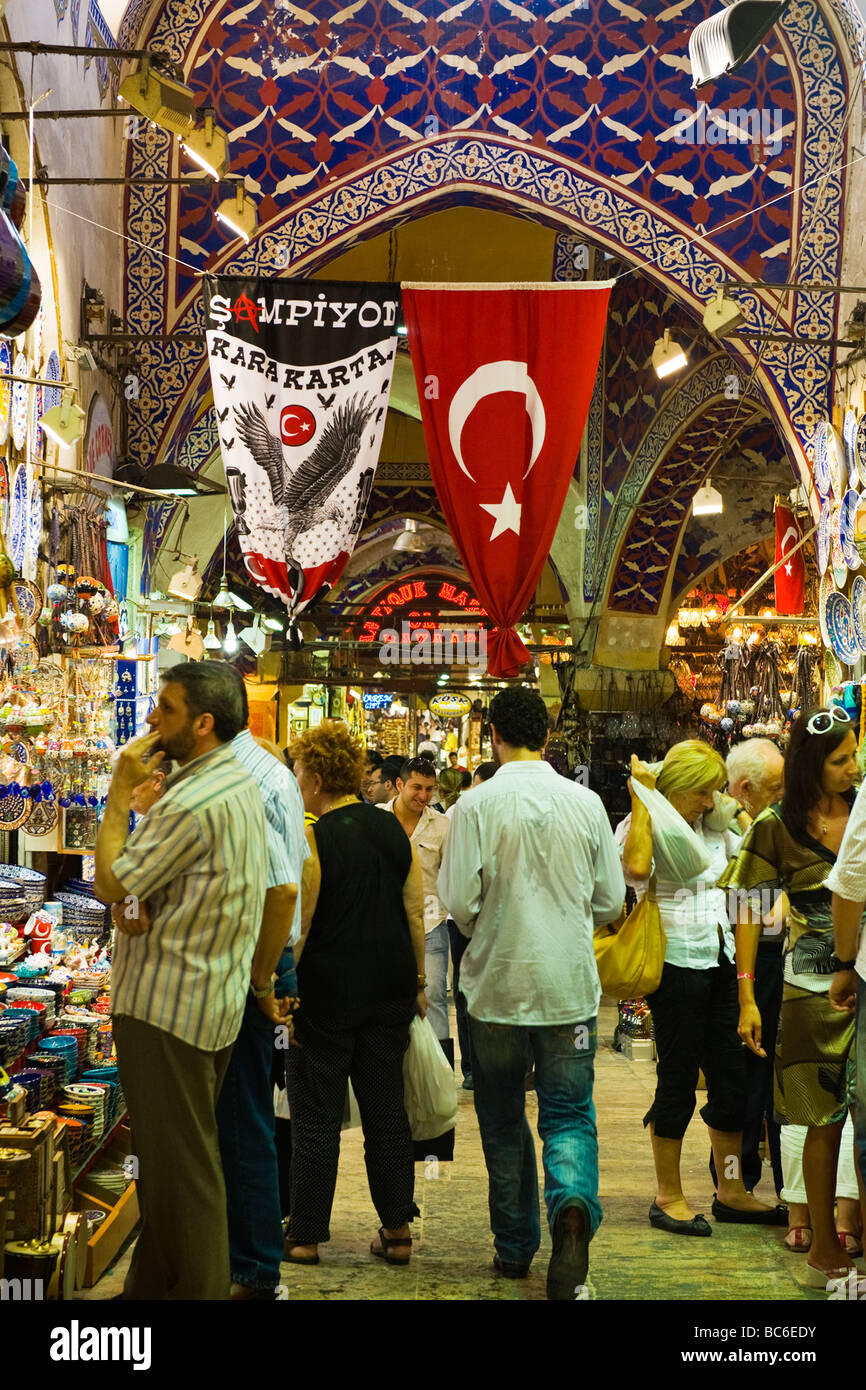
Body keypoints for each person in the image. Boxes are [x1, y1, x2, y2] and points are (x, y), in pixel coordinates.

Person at [438, 686, 625, 1299]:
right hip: (569, 988)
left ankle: (515, 1246)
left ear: (493, 734)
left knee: (499, 1114)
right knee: (568, 1112)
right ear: (548, 735)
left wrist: (490, 921)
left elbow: (459, 904)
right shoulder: (587, 803)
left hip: (495, 989)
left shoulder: (473, 805)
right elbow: (610, 901)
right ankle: (570, 1205)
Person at [93, 662, 269, 1300]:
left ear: (203, 722)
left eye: (165, 710)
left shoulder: (194, 799)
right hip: (205, 1003)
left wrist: (118, 793)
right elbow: (155, 892)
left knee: (186, 1178)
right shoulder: (231, 783)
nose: (151, 722)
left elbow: (112, 882)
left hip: (168, 1011)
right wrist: (133, 904)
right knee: (168, 1175)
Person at [722, 707, 862, 1285]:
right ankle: (823, 1242)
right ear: (810, 765)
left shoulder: (862, 810)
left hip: (864, 978)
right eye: (840, 760)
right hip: (809, 990)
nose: (852, 769)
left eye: (855, 756)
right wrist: (748, 996)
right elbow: (747, 912)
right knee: (817, 1117)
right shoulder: (776, 824)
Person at [618, 741, 780, 1236]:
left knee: (732, 1083)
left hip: (720, 957)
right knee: (677, 1082)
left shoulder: (715, 827)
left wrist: (741, 819)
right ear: (674, 788)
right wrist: (643, 800)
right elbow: (636, 870)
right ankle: (668, 1195)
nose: (710, 801)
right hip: (673, 961)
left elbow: (751, 869)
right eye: (701, 792)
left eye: (713, 791)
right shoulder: (639, 824)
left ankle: (731, 1189)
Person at [284, 721, 427, 1268]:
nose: (297, 780)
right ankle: (397, 1233)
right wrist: (418, 984)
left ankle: (305, 1236)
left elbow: (304, 919)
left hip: (327, 998)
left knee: (316, 1117)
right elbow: (415, 911)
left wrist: (287, 991)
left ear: (317, 776)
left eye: (299, 771)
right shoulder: (395, 831)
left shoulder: (315, 836)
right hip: (388, 992)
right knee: (386, 1112)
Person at [212, 668, 308, 1301]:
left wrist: (263, 975)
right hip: (257, 962)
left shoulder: (253, 779)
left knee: (244, 1116)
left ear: (204, 719)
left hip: (246, 964)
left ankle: (253, 1268)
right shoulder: (263, 773)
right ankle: (243, 1257)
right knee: (243, 1114)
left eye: (165, 710)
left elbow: (284, 886)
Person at [721, 738, 787, 1201]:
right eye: (778, 787)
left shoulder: (775, 823)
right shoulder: (724, 825)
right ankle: (735, 1184)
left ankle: (789, 1189)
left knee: (772, 1074)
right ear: (746, 787)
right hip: (739, 959)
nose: (786, 795)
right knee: (742, 1073)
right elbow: (756, 910)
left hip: (776, 959)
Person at [380, 757, 451, 1041]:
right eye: (416, 788)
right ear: (399, 785)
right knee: (385, 999)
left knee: (432, 998)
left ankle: (438, 1075)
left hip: (431, 924)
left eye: (430, 789)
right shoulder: (377, 819)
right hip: (384, 925)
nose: (423, 796)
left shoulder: (442, 825)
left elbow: (449, 874)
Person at [447, 760, 497, 1089]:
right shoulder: (457, 813)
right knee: (466, 993)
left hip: (495, 917)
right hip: (465, 918)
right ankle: (472, 1067)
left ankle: (496, 1066)